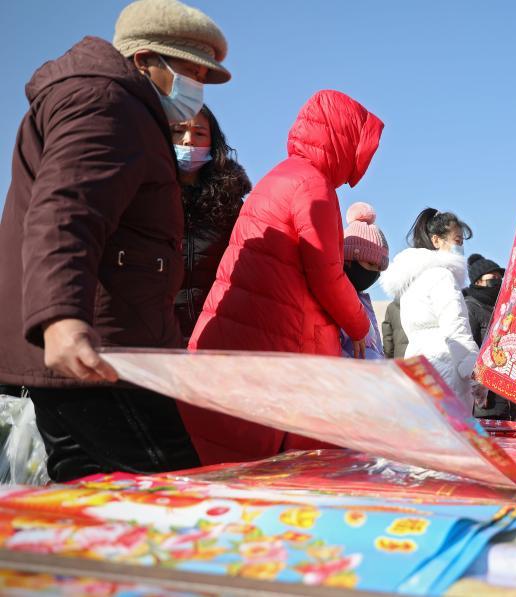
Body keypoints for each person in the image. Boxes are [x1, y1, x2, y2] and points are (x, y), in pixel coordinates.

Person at [0, 0, 230, 482]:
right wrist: (61, 318)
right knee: (171, 498)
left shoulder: (126, 109)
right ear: (146, 60)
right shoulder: (108, 104)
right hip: (101, 356)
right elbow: (67, 209)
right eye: (191, 72)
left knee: (97, 497)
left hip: (108, 350)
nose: (199, 90)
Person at [183, 90, 384, 465]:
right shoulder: (313, 185)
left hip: (243, 337)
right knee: (290, 474)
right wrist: (359, 326)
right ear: (342, 138)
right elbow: (326, 274)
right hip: (283, 345)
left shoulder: (281, 176)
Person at [381, 209, 481, 407]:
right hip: (445, 366)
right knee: (451, 433)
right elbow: (457, 329)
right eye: (458, 241)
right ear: (436, 240)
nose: (460, 248)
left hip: (416, 364)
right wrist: (475, 372)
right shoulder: (442, 276)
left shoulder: (411, 282)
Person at [172, 105, 251, 346]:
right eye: (179, 131)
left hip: (215, 338)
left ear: (212, 142)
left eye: (199, 133)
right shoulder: (146, 194)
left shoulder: (230, 202)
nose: (188, 141)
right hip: (157, 338)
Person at [465, 254, 516, 421]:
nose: (498, 281)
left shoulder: (507, 307)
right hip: (487, 395)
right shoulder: (470, 306)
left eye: (500, 277)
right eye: (493, 277)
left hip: (514, 388)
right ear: (478, 282)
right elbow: (469, 349)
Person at [339, 203, 390, 360]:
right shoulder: (336, 299)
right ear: (348, 260)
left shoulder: (363, 301)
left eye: (378, 269)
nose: (373, 273)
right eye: (369, 264)